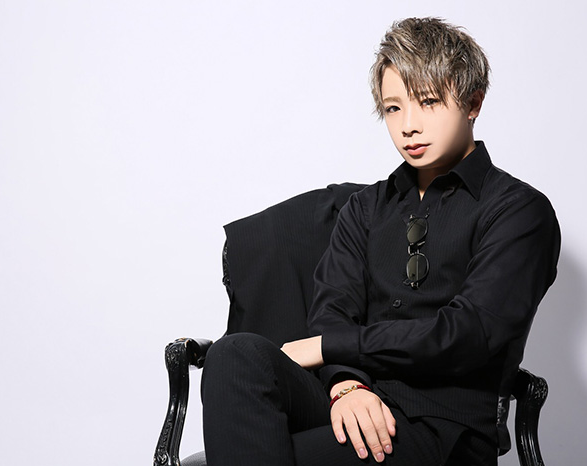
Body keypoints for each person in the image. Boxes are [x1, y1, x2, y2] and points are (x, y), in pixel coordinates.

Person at [201, 17, 560, 466]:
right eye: (393, 108)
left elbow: (468, 334)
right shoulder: (364, 208)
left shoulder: (519, 211)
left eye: (428, 102)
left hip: (443, 429)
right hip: (353, 402)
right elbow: (331, 312)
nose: (408, 125)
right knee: (234, 353)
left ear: (473, 102)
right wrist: (346, 383)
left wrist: (332, 348)